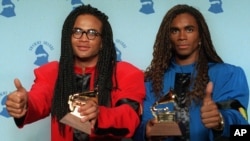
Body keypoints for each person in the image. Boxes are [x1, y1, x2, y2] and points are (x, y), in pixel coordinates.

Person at [5, 4, 145, 141]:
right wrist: (25, 104)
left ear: (103, 41)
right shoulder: (53, 73)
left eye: (92, 33)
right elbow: (39, 99)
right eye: (77, 31)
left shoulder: (124, 73)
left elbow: (130, 116)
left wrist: (100, 115)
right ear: (69, 37)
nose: (83, 38)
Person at [133, 4, 249, 141]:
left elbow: (243, 132)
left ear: (200, 36)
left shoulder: (228, 75)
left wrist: (221, 121)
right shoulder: (152, 81)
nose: (182, 36)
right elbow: (137, 130)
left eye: (189, 29)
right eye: (175, 31)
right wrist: (147, 132)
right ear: (168, 38)